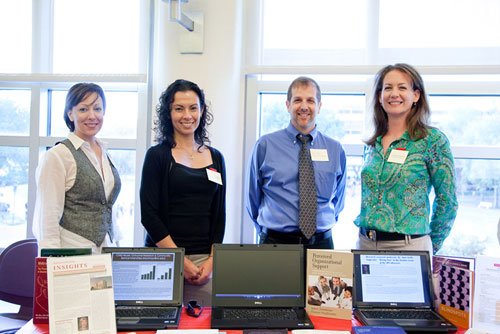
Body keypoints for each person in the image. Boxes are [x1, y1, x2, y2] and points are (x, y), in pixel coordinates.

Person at [354, 63, 458, 255]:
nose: (394, 94)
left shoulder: (432, 141)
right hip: (365, 244)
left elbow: (448, 201)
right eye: (387, 88)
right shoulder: (372, 143)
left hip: (409, 247)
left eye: (402, 87)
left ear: (416, 95)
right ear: (379, 96)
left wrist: (428, 246)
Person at [140, 79, 226, 306]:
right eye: (179, 108)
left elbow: (219, 216)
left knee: (202, 327)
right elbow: (149, 215)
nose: (187, 115)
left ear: (202, 111)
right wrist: (179, 260)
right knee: (161, 326)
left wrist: (212, 260)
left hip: (203, 265)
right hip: (163, 259)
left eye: (193, 108)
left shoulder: (216, 157)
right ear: (169, 113)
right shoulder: (157, 156)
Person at [247, 76, 347, 249]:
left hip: (321, 244)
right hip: (275, 242)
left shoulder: (335, 149)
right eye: (297, 100)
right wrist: (264, 230)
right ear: (288, 105)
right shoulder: (265, 145)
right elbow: (253, 197)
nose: (304, 106)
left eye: (310, 100)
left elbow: (339, 200)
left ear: (319, 106)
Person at [33, 83, 121, 254]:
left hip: (105, 252)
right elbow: (47, 218)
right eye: (83, 109)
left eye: (97, 109)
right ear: (70, 114)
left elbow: (107, 206)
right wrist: (49, 264)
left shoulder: (105, 154)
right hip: (72, 254)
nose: (92, 115)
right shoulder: (58, 155)